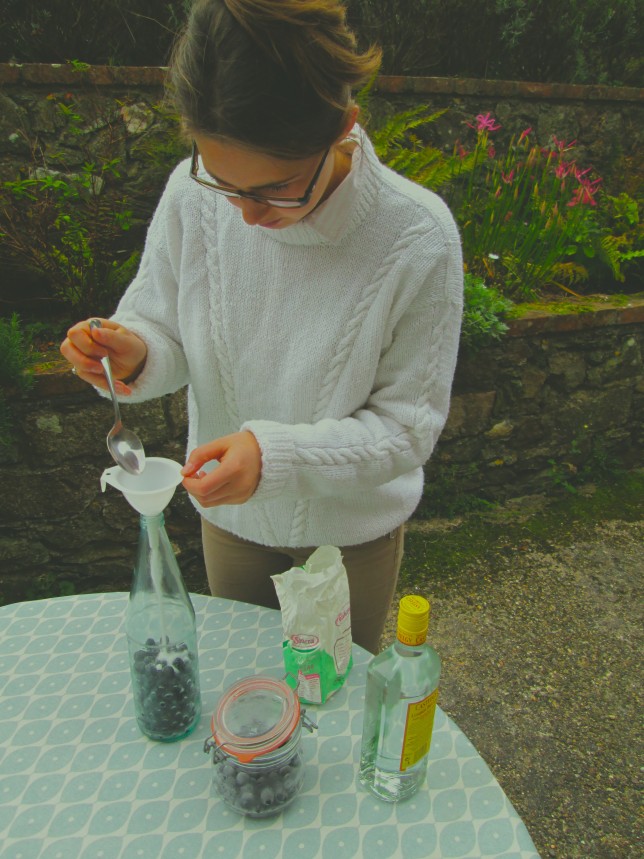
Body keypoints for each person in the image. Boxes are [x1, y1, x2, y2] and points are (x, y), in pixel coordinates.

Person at [60, 0, 463, 654]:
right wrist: (132, 352)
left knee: (326, 712)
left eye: (276, 189)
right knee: (243, 701)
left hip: (349, 543)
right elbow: (163, 330)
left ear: (343, 126)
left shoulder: (417, 236)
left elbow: (407, 428)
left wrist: (274, 458)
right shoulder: (190, 196)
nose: (246, 215)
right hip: (232, 526)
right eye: (225, 183)